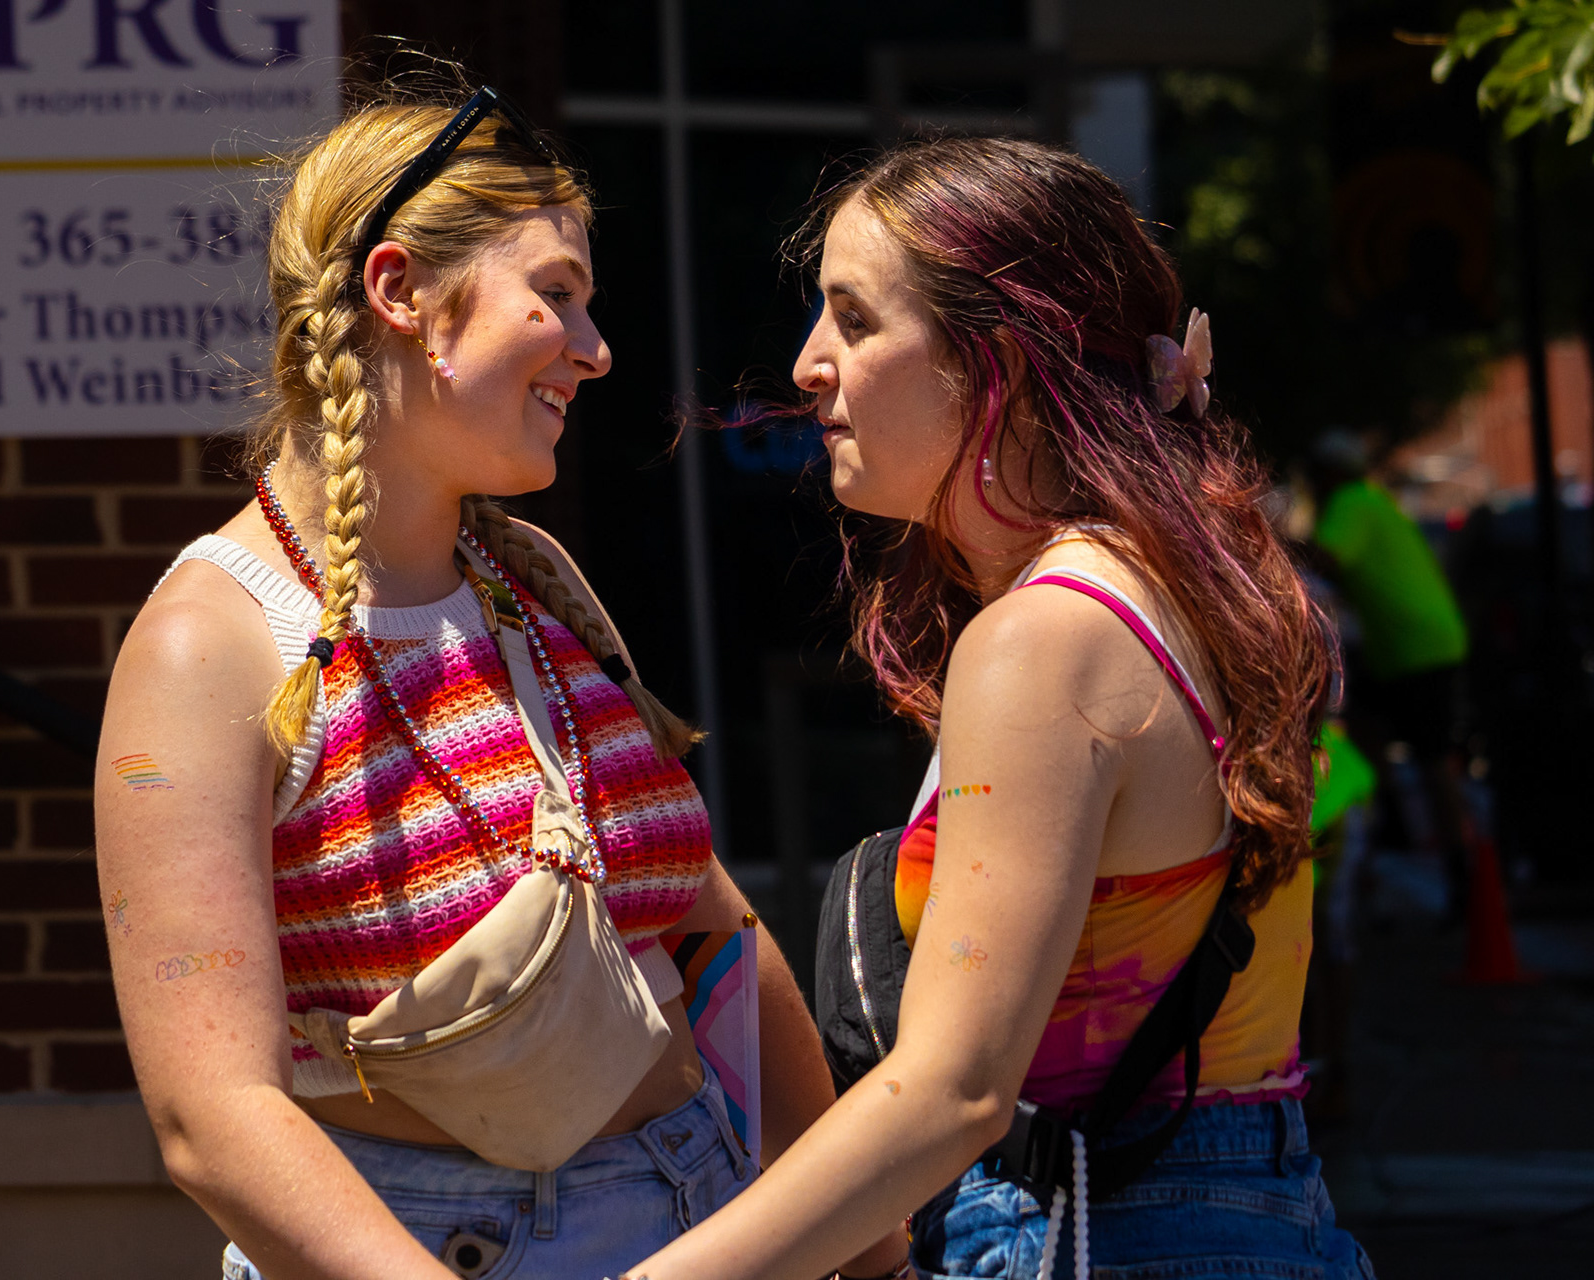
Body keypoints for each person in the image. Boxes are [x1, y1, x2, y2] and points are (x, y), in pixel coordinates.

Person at [93, 87, 888, 1280]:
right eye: (556, 293)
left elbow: (708, 924)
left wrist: (872, 1252)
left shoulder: (528, 578)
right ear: (400, 289)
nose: (595, 346)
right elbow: (214, 1119)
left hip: (709, 1208)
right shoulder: (215, 640)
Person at [626, 138, 1372, 1280]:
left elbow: (954, 1090)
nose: (809, 363)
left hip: (1105, 1228)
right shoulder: (1169, 583)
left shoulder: (1046, 638)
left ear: (1001, 364)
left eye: (856, 319)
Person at [1305, 430, 1473, 921]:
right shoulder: (1373, 499)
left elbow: (1326, 558)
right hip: (1409, 647)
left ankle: (1461, 875)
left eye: (1316, 475)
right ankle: (1373, 851)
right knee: (1368, 745)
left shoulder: (1351, 501)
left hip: (1414, 650)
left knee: (1432, 761)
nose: (1313, 485)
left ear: (1333, 474)